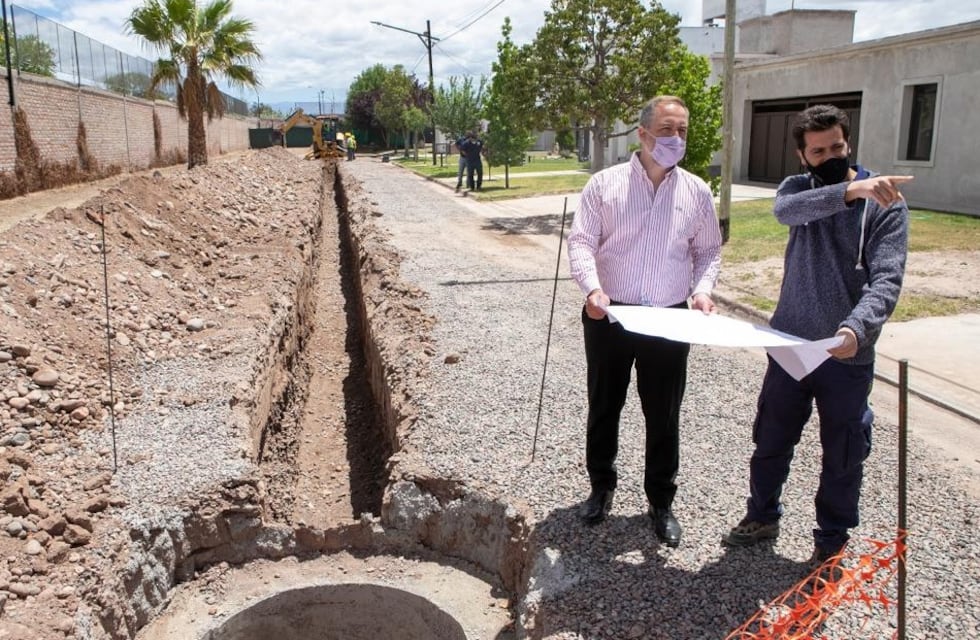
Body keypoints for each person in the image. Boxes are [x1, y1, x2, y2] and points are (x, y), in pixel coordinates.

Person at [722, 104, 911, 565]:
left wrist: (856, 329)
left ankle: (831, 542)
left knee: (844, 454)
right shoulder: (797, 189)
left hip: (846, 353)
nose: (829, 155)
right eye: (818, 150)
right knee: (771, 439)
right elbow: (785, 212)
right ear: (802, 156)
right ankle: (762, 514)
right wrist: (849, 190)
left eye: (838, 147)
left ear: (850, 143)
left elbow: (887, 279)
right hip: (790, 346)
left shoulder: (885, 204)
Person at [567, 95, 723, 547]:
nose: (676, 139)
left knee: (664, 412)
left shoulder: (695, 191)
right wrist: (592, 289)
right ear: (643, 134)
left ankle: (661, 500)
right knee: (604, 404)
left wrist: (702, 291)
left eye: (683, 131)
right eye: (667, 130)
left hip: (670, 318)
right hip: (610, 313)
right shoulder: (604, 185)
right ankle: (601, 486)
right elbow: (581, 242)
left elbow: (708, 250)